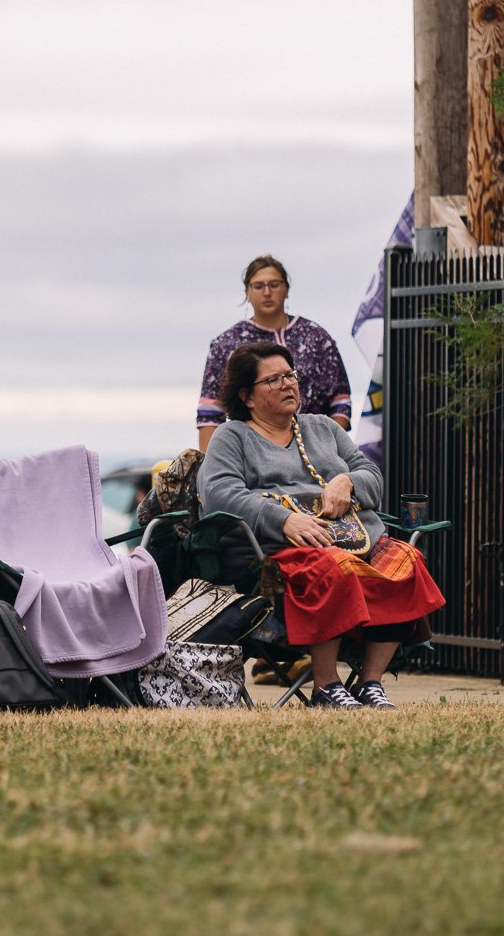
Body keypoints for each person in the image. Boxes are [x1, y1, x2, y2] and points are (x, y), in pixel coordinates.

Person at [199, 342, 445, 710]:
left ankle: (370, 683)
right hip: (277, 551)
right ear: (247, 396)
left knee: (406, 560)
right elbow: (220, 494)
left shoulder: (323, 427)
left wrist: (347, 482)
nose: (288, 384)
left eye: (291, 375)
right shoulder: (232, 436)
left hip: (354, 538)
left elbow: (371, 475)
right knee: (333, 566)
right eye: (273, 380)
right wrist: (284, 519)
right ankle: (326, 685)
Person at [197, 255, 351, 453]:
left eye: (274, 285)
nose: (267, 292)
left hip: (315, 448)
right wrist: (208, 463)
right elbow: (210, 411)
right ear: (247, 292)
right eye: (258, 286)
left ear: (286, 289)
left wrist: (327, 447)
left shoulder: (316, 337)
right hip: (250, 451)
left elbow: (340, 400)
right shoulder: (226, 344)